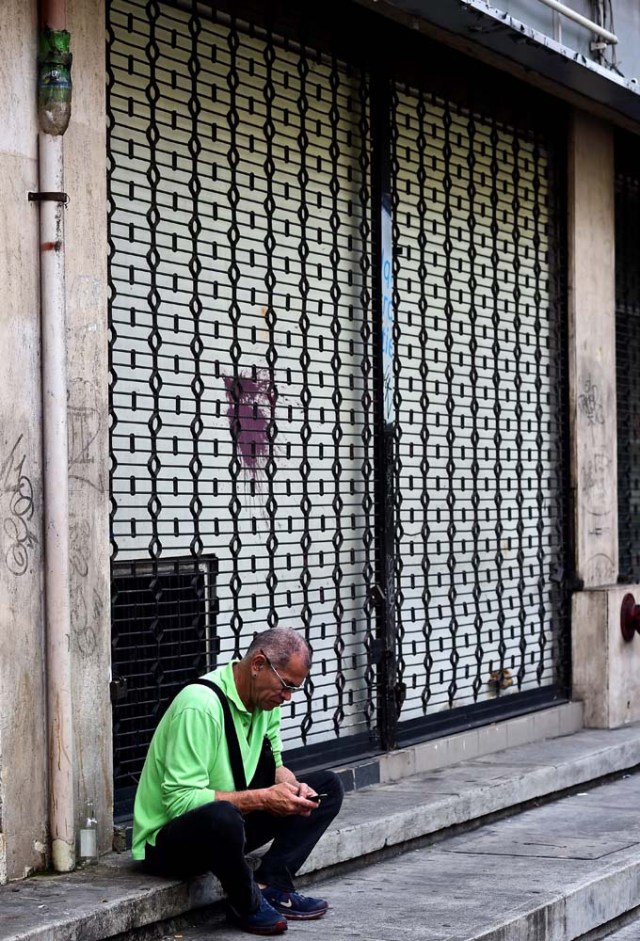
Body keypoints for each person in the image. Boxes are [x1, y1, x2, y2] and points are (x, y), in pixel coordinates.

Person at [132, 627, 344, 935]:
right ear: (258, 665)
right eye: (285, 686)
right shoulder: (200, 706)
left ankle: (271, 883)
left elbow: (275, 765)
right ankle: (245, 902)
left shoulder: (265, 701)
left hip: (229, 826)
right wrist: (264, 799)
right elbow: (180, 801)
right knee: (224, 815)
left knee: (327, 788)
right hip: (168, 843)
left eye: (293, 690)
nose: (287, 697)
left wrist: (294, 789)